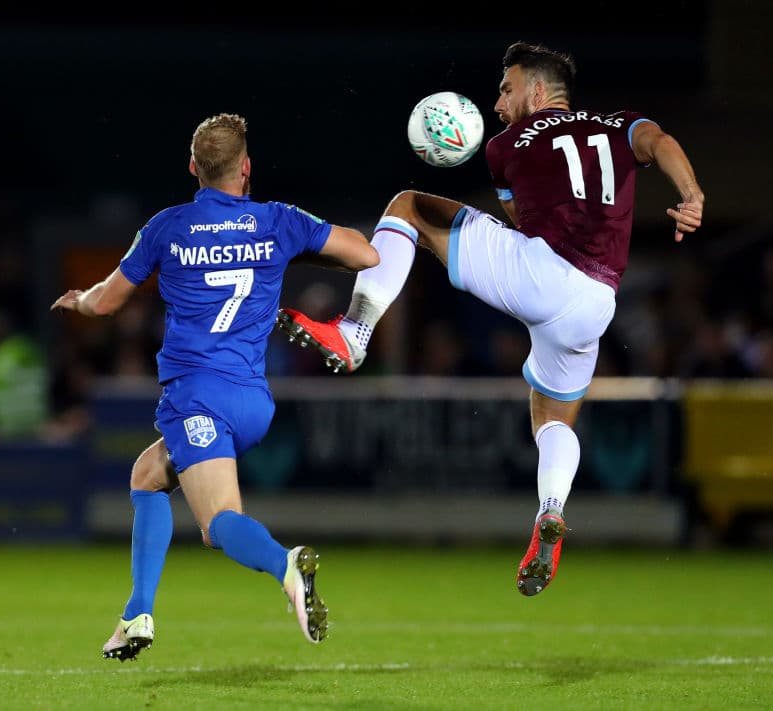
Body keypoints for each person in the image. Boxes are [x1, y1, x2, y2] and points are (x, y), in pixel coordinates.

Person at [277, 41, 704, 597]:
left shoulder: (505, 146)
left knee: (407, 207)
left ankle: (354, 332)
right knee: (553, 418)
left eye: (506, 88)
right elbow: (661, 142)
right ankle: (550, 511)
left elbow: (520, 220)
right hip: (598, 301)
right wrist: (691, 194)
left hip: (545, 272)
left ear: (537, 87)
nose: (499, 104)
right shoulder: (619, 123)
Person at [51, 113, 379, 659]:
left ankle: (284, 565)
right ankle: (136, 615)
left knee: (217, 524)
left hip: (196, 395)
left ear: (192, 168)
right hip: (253, 401)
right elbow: (365, 254)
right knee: (149, 474)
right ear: (246, 169)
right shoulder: (279, 219)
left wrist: (79, 299)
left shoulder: (168, 225)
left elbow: (106, 301)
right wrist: (300, 244)